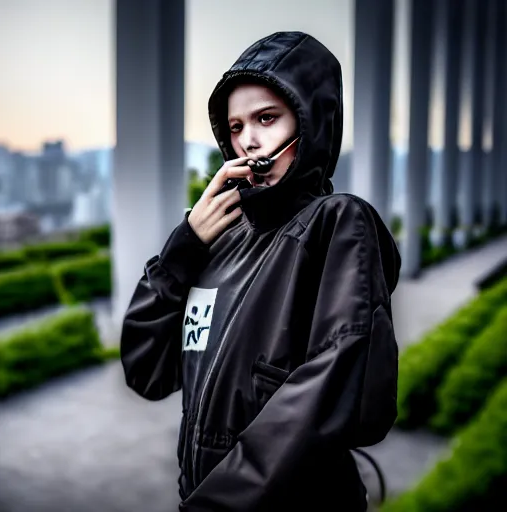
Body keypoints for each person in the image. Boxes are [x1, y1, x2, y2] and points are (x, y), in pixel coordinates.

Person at [120, 31, 401, 511]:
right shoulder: (220, 243)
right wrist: (183, 248)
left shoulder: (336, 224)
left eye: (266, 119)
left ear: (311, 123)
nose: (248, 141)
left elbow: (330, 390)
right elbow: (146, 369)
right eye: (234, 127)